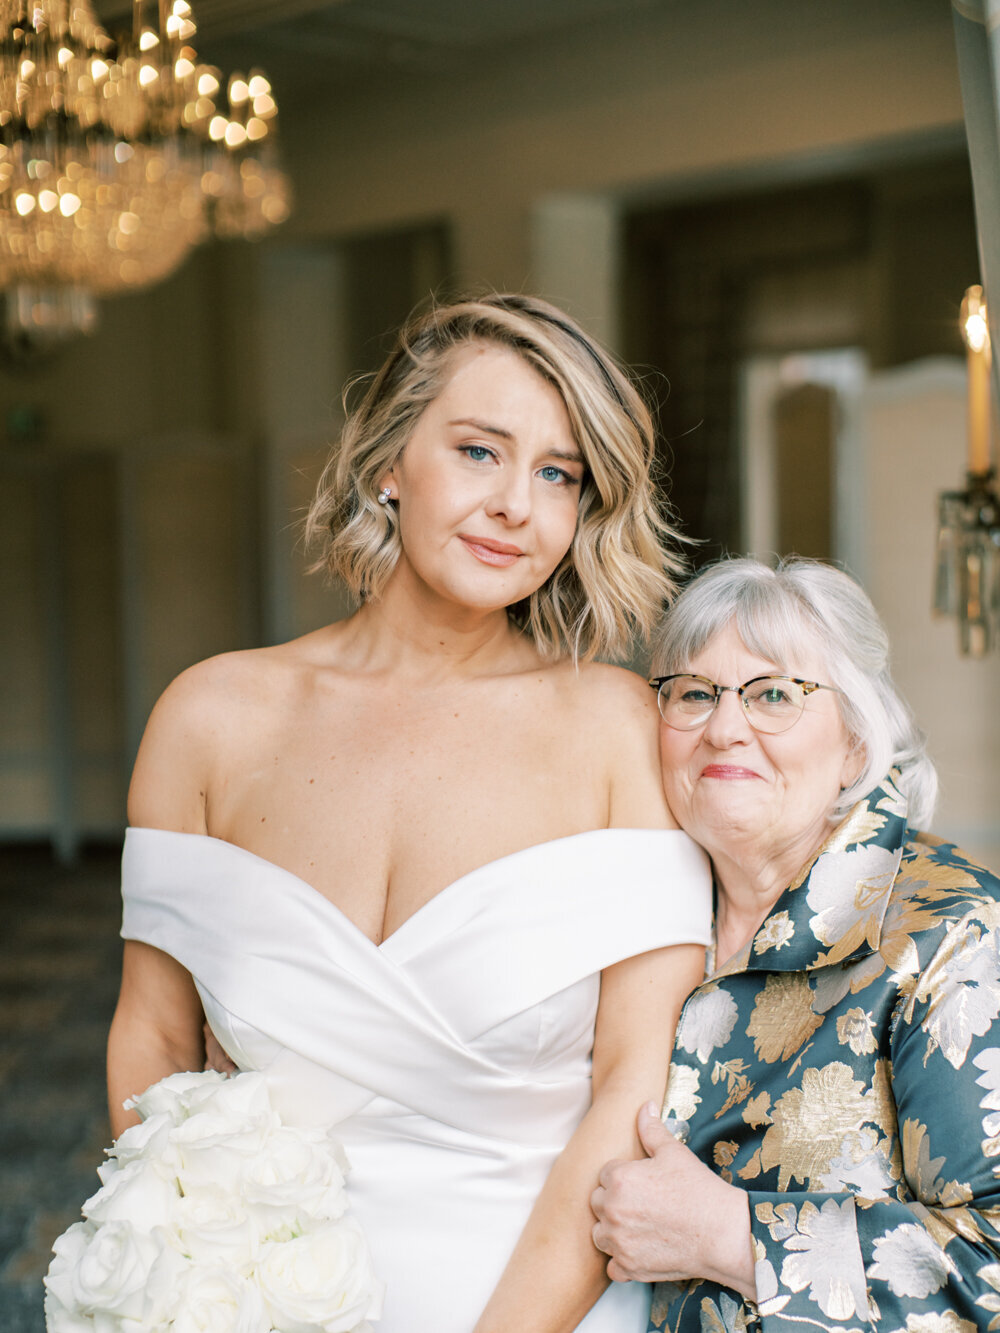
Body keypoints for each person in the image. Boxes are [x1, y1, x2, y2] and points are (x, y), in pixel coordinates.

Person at [106, 294, 713, 1333]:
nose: (517, 503)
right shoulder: (208, 720)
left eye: (558, 473)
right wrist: (174, 1279)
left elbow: (632, 1090)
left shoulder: (619, 730)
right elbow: (153, 1038)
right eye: (479, 451)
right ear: (388, 461)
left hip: (544, 1300)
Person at [590, 555, 1000, 1331]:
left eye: (775, 693)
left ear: (856, 740)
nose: (725, 726)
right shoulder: (634, 915)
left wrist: (730, 1238)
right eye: (692, 694)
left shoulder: (950, 929)